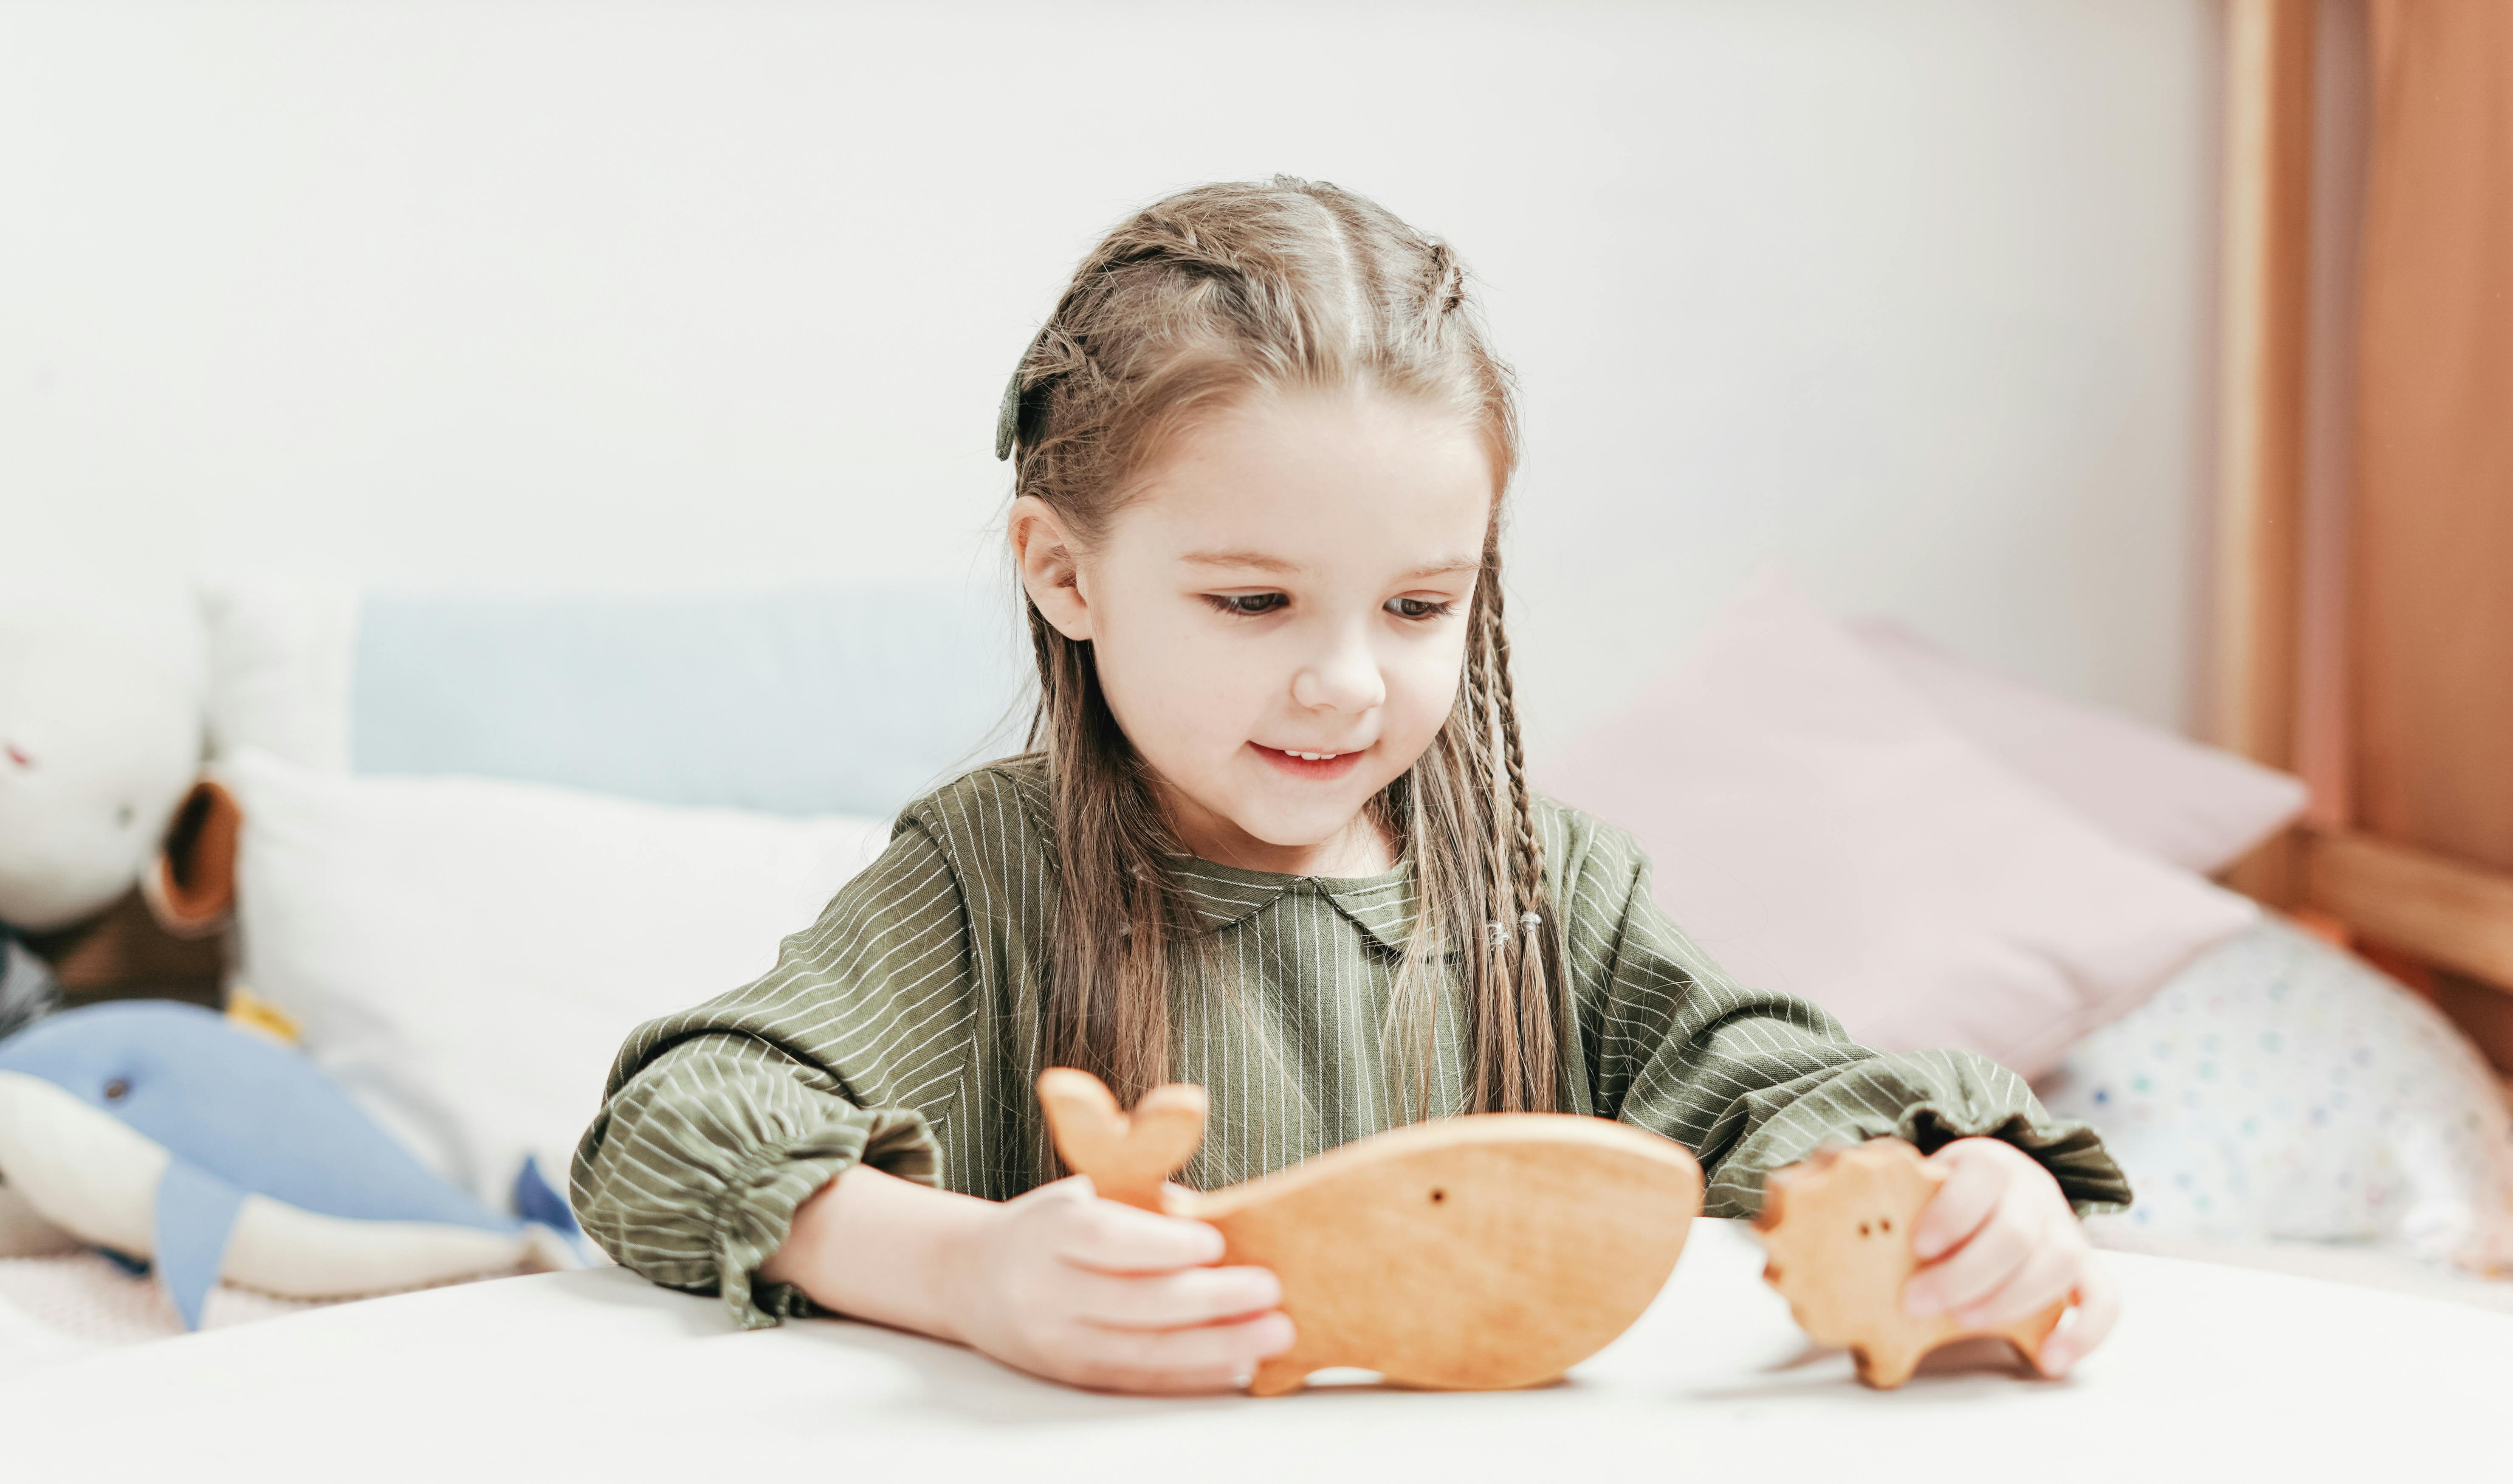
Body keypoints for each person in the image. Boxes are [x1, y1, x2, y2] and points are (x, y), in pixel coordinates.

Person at [571, 177, 2127, 1394]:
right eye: (1255, 604)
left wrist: (1971, 1190)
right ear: (1063, 572)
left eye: (1416, 605)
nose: (1347, 681)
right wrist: (965, 1272)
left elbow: (1783, 1094)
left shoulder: (1543, 891)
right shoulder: (995, 875)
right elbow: (678, 1120)